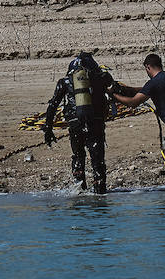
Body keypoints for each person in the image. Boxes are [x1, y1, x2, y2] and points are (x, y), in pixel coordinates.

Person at [110, 54, 165, 192]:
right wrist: (126, 89)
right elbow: (146, 89)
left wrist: (113, 95)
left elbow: (133, 103)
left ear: (148, 67)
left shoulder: (154, 83)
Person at [43, 52, 115, 194]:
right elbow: (115, 90)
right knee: (98, 161)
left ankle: (79, 193)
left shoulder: (65, 82)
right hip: (95, 123)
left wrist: (48, 129)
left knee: (78, 156)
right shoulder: (101, 78)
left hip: (75, 124)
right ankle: (100, 193)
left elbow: (52, 105)